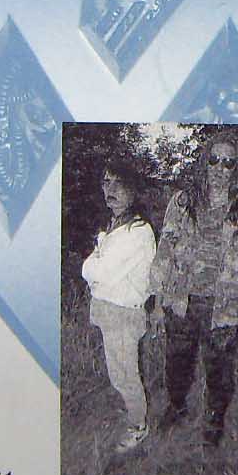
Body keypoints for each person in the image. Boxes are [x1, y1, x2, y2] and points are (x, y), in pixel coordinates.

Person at [149, 130, 238, 450]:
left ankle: (214, 422)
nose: (219, 168)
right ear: (205, 162)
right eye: (214, 160)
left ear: (237, 168)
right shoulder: (182, 202)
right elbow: (165, 251)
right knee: (176, 362)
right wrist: (159, 301)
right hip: (182, 302)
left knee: (219, 371)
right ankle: (177, 407)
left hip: (223, 309)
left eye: (228, 162)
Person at [81, 161, 157, 451]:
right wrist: (97, 262)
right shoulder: (114, 226)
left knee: (125, 375)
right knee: (118, 373)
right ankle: (131, 412)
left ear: (133, 190)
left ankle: (138, 426)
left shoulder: (138, 231)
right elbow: (99, 269)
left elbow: (97, 272)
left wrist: (92, 264)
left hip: (124, 313)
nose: (110, 190)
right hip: (108, 309)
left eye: (118, 183)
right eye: (106, 182)